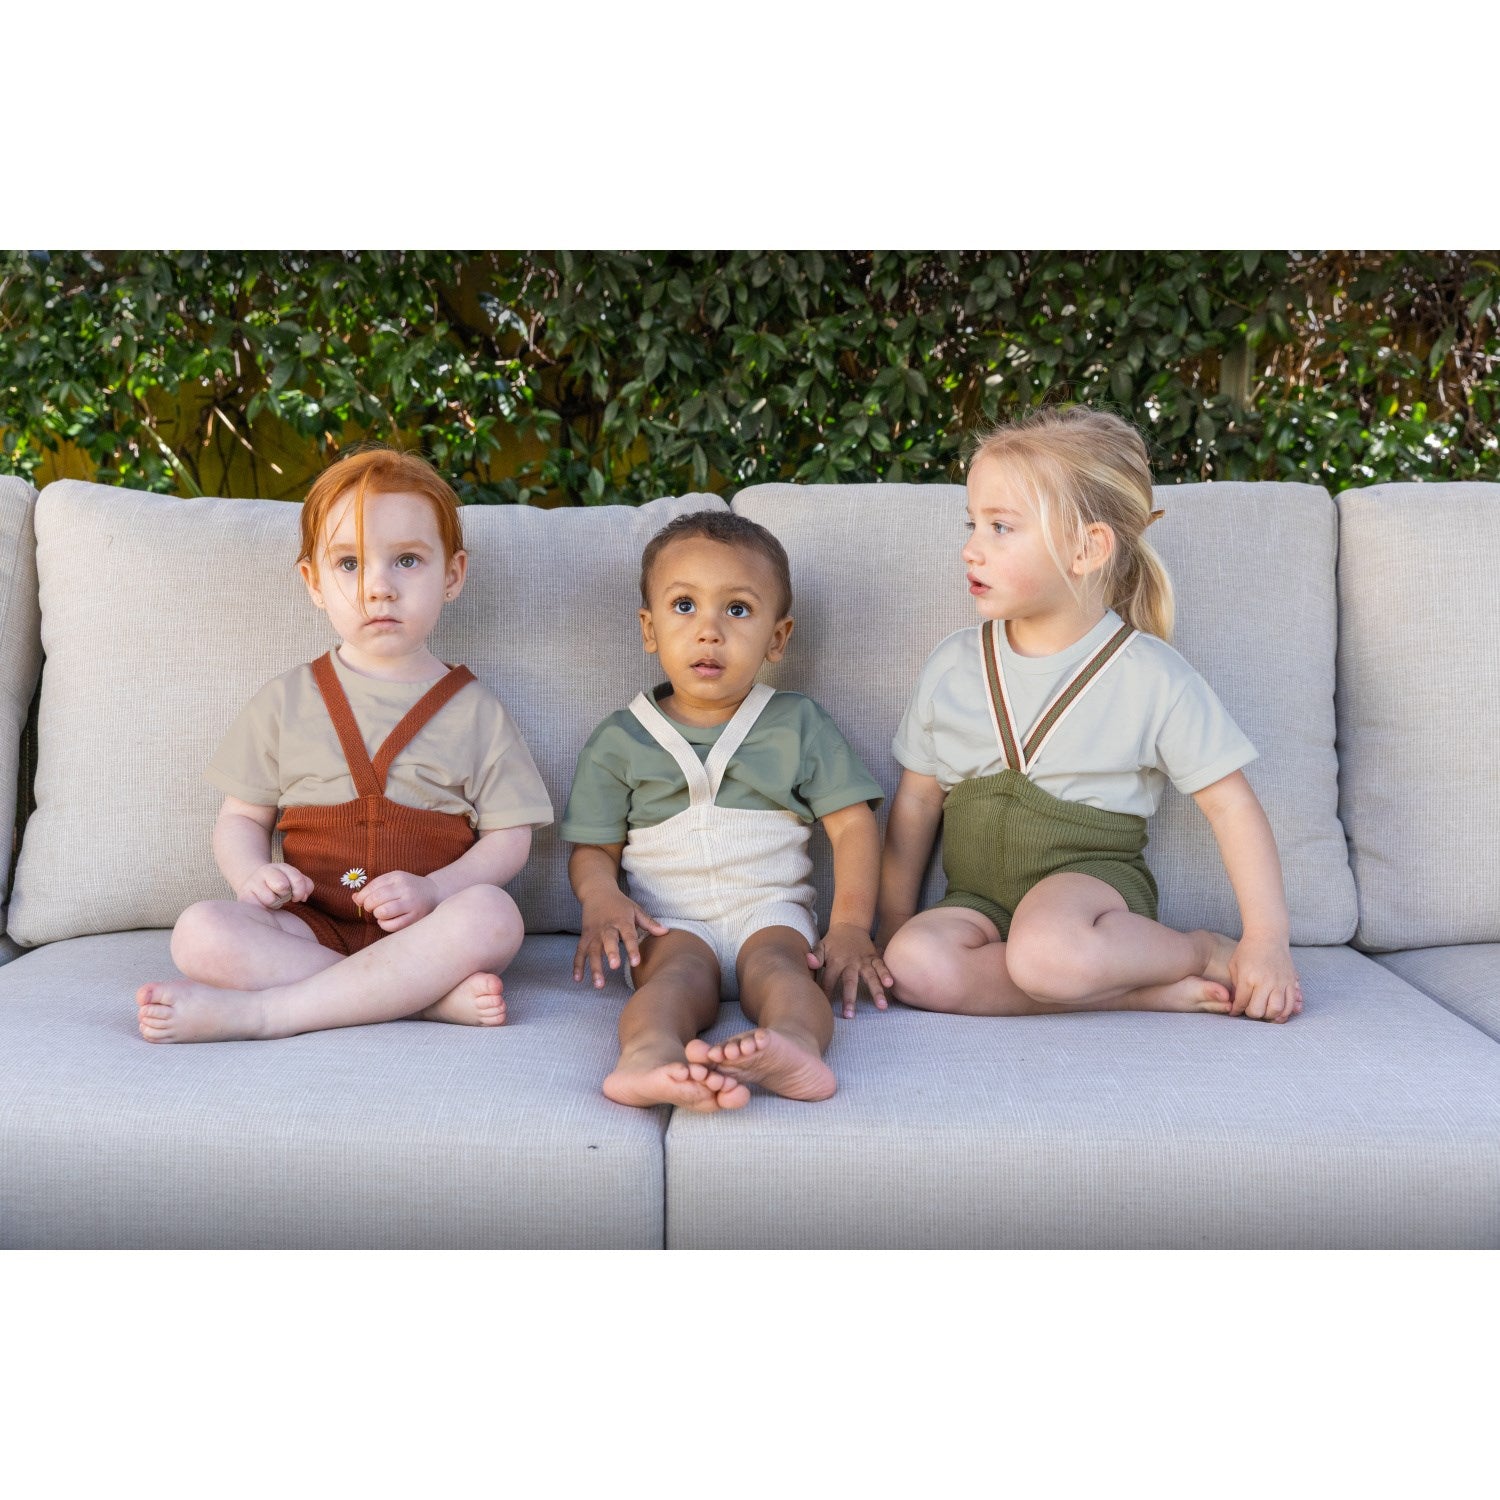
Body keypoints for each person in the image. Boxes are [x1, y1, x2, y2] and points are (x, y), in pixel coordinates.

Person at [878, 406, 1303, 1023]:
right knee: (915, 964)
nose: (971, 549)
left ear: (1087, 548)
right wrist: (890, 930)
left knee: (1047, 953)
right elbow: (917, 802)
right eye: (973, 524)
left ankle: (1199, 950)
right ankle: (1140, 995)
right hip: (977, 901)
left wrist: (1266, 941)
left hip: (1087, 896)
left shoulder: (1151, 675)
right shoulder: (952, 664)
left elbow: (1231, 806)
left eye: (1000, 527)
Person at [136, 447, 553, 1044]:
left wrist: (435, 890)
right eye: (350, 564)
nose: (379, 588)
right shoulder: (284, 700)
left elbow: (509, 838)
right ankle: (419, 1002)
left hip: (429, 931)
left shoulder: (476, 710)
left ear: (452, 575)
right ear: (314, 582)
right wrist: (252, 873)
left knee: (493, 913)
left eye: (407, 560)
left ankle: (267, 1014)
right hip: (308, 927)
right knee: (199, 931)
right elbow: (241, 818)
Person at [564, 511, 891, 1112]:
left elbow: (852, 825)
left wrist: (849, 927)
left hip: (769, 911)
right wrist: (601, 898)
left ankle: (794, 1046)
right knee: (672, 981)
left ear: (777, 638)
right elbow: (594, 849)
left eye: (737, 609)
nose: (709, 631)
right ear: (649, 628)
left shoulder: (798, 722)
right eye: (684, 606)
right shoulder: (619, 738)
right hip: (668, 922)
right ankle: (648, 1057)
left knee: (783, 971)